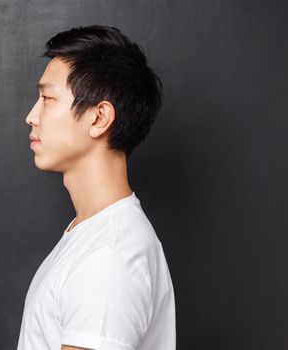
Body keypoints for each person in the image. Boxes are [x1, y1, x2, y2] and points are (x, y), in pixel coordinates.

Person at [18, 25, 175, 350]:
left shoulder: (109, 258)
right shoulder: (94, 236)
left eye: (47, 98)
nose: (31, 116)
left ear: (99, 117)